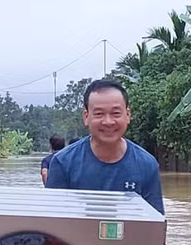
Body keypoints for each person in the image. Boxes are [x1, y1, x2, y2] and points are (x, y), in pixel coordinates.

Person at [45, 79, 164, 215]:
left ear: (128, 115)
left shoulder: (147, 165)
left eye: (115, 113)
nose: (108, 122)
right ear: (86, 116)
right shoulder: (63, 163)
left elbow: (155, 226)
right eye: (99, 114)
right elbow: (52, 223)